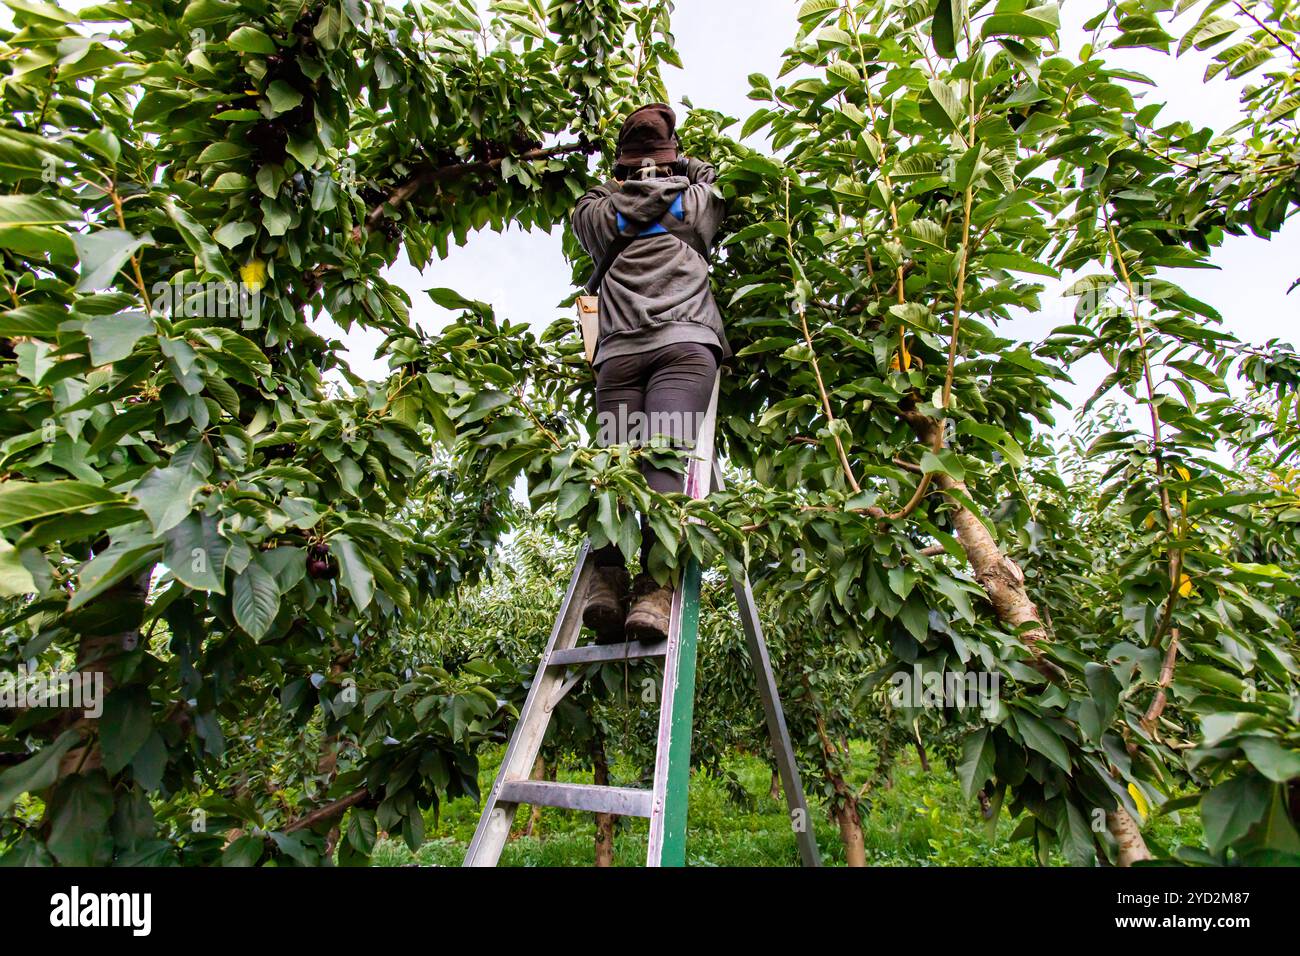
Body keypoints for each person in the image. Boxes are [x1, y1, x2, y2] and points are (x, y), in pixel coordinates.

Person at [570, 103, 731, 644]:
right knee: (666, 458)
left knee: (616, 461)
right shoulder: (695, 203)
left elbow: (585, 209)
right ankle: (656, 593)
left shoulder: (600, 214)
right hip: (684, 344)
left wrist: (622, 179)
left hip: (618, 353)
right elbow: (712, 183)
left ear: (621, 164)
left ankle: (605, 585)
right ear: (670, 153)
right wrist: (677, 167)